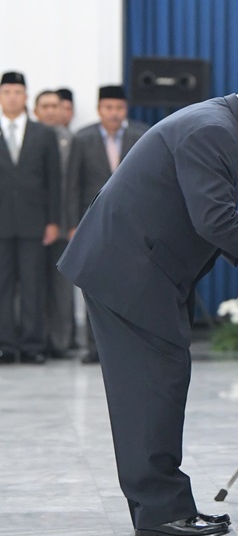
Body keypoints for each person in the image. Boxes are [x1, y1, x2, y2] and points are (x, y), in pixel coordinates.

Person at [58, 52, 238, 536]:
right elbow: (215, 219)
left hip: (140, 269)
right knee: (151, 386)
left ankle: (160, 504)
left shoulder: (219, 122)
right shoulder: (213, 128)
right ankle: (162, 510)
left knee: (157, 382)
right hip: (129, 271)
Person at [66, 85, 148, 362]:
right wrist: (72, 224)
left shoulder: (141, 134)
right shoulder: (82, 138)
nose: (114, 113)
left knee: (129, 284)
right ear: (100, 109)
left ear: (126, 109)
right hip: (92, 224)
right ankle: (94, 346)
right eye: (109, 108)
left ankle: (125, 345)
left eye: (119, 108)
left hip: (132, 224)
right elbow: (72, 185)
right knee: (93, 283)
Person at [0, 72, 61, 363]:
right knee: (2, 285)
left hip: (34, 223)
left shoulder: (43, 134)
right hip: (1, 223)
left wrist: (53, 220)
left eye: (17, 92)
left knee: (33, 285)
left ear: (26, 97)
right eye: (7, 91)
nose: (12, 97)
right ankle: (5, 345)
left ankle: (33, 345)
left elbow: (54, 181)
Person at [33, 90, 76, 358]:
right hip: (32, 225)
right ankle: (36, 340)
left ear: (64, 111)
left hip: (64, 223)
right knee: (31, 286)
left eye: (54, 106)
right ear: (35, 110)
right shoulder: (27, 138)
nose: (50, 111)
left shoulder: (73, 141)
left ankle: (61, 342)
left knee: (62, 289)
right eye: (44, 106)